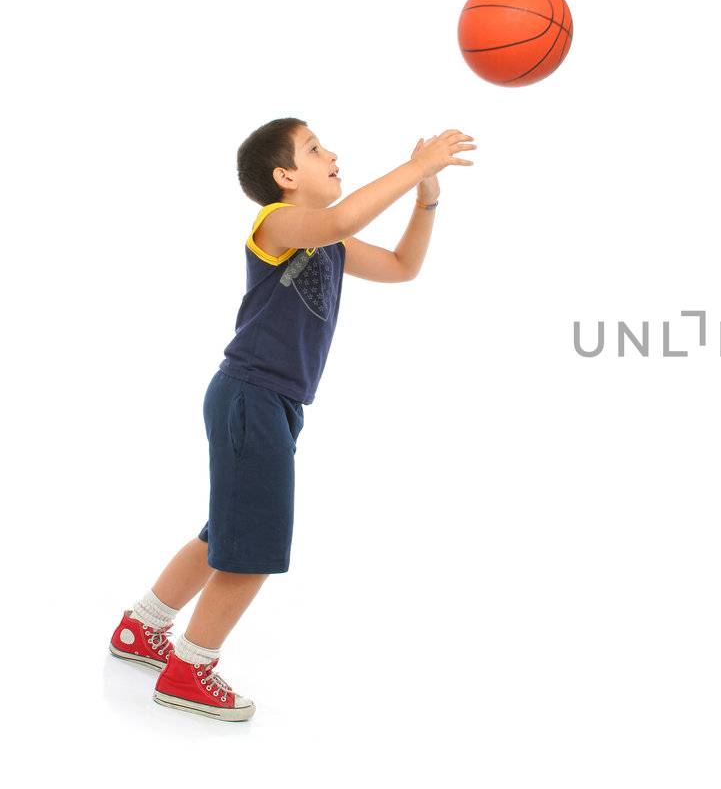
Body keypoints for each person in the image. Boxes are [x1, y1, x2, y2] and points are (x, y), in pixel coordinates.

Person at [107, 120, 474, 720]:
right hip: (250, 394)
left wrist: (426, 197)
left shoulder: (329, 243)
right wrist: (415, 163)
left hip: (268, 401)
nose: (333, 155)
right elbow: (338, 219)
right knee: (251, 547)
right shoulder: (274, 224)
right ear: (284, 178)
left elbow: (405, 266)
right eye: (315, 149)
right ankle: (190, 669)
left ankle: (141, 629)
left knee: (224, 531)